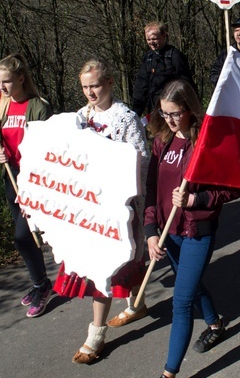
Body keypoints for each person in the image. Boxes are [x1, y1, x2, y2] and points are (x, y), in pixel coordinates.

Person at [53, 59, 151, 364]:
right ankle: (137, 303)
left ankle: (96, 334)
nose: (90, 92)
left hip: (117, 208)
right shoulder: (80, 117)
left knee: (106, 269)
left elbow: (142, 160)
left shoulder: (125, 118)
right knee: (109, 267)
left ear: (109, 82)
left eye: (95, 85)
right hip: (87, 207)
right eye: (85, 86)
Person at [144, 80, 240, 378]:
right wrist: (150, 230)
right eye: (163, 114)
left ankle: (169, 373)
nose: (169, 120)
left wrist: (195, 198)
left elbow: (235, 188)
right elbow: (152, 188)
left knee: (182, 300)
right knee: (193, 284)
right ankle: (215, 325)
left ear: (189, 109)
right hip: (167, 232)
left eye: (174, 114)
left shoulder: (206, 142)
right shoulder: (161, 139)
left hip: (197, 231)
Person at [0, 53, 53, 318]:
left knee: (22, 236)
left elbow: (48, 147)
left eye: (6, 81)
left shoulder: (39, 106)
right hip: (11, 176)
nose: (1, 87)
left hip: (32, 179)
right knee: (25, 238)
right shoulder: (2, 106)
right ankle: (40, 283)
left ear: (20, 78)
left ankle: (44, 286)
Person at [132, 21, 195, 117]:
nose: (151, 43)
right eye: (148, 39)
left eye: (154, 39)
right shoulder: (148, 58)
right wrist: (135, 113)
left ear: (163, 36)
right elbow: (141, 87)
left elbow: (186, 84)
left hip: (173, 111)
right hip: (154, 112)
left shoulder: (175, 56)